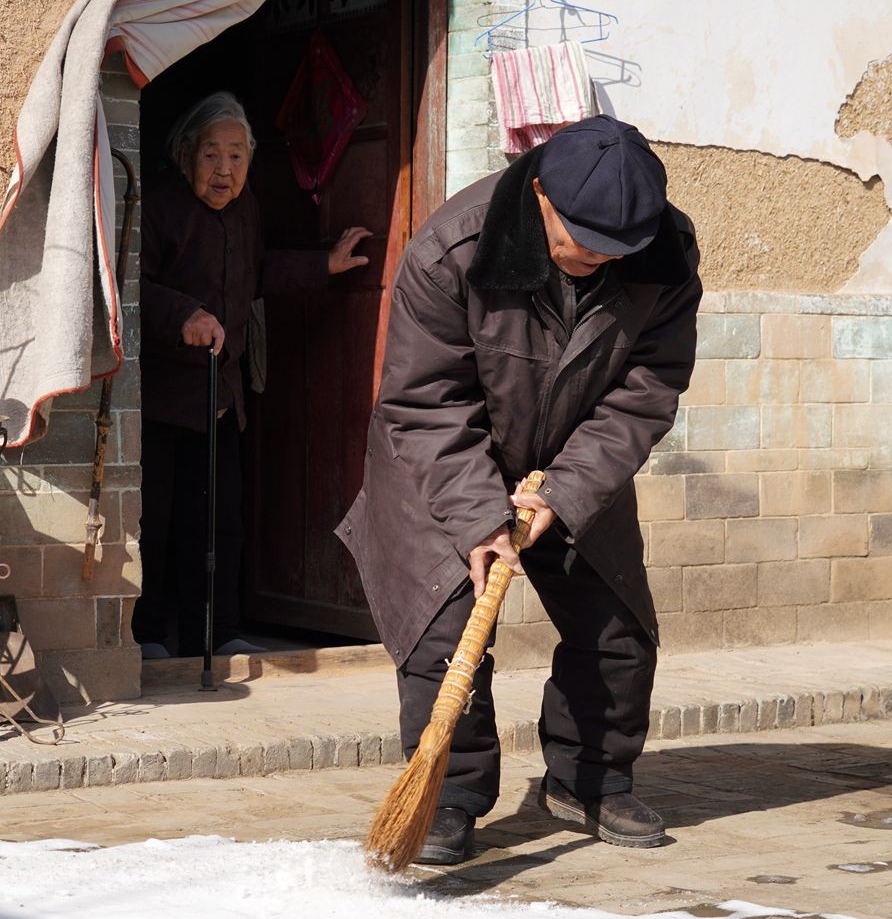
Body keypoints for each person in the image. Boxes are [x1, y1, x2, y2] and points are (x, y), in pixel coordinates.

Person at [337, 114, 702, 864]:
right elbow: (424, 400)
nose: (596, 260)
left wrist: (564, 493)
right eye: (581, 241)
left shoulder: (665, 254)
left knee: (616, 628)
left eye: (615, 249)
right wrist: (479, 516)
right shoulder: (453, 249)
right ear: (540, 198)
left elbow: (647, 390)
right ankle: (451, 796)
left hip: (575, 456)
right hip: (440, 458)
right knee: (443, 636)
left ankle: (589, 780)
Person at [135, 92, 370, 660]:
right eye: (212, 154)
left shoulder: (245, 210)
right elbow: (128, 288)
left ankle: (213, 633)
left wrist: (323, 265)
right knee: (155, 521)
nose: (224, 169)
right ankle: (145, 632)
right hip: (163, 399)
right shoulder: (159, 207)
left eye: (237, 156)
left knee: (219, 521)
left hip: (221, 394)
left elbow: (257, 270)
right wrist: (182, 315)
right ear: (187, 153)